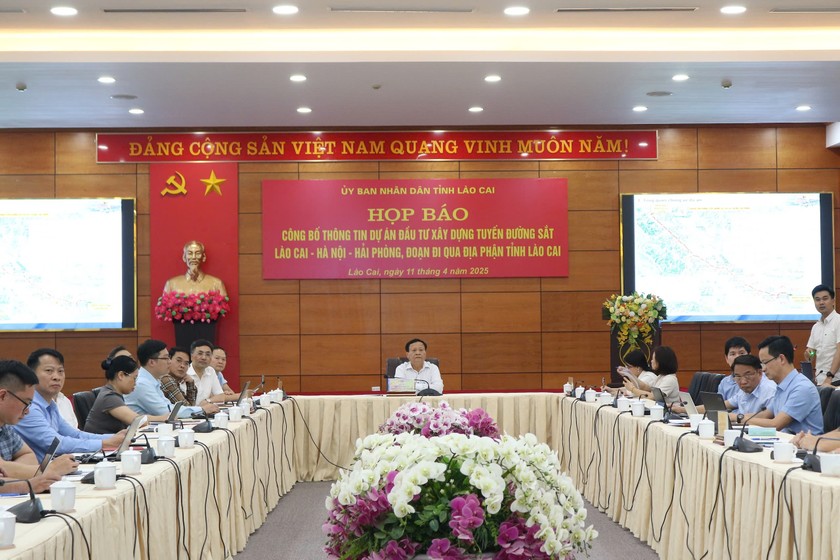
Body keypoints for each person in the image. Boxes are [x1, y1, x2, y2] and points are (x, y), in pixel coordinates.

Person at [14, 348, 126, 461]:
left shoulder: (51, 405)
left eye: (60, 371)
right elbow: (56, 444)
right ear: (32, 375)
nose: (56, 377)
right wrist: (104, 443)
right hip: (37, 470)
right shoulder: (28, 407)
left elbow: (75, 434)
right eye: (49, 371)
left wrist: (114, 437)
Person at [0, 360, 78, 493]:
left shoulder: (5, 426)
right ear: (2, 396)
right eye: (26, 403)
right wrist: (49, 469)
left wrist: (9, 471)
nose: (27, 411)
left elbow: (29, 455)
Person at [744, 335, 823, 434]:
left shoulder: (802, 388)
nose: (763, 369)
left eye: (765, 362)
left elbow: (776, 425)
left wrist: (741, 419)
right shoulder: (782, 386)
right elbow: (765, 415)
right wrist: (735, 417)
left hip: (803, 443)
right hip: (785, 441)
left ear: (781, 359)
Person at [125, 339, 219, 419]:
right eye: (166, 358)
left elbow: (170, 407)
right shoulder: (142, 384)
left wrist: (201, 409)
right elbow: (166, 412)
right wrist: (202, 409)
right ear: (152, 362)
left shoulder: (153, 380)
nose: (169, 362)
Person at [85, 356, 168, 434]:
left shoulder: (112, 393)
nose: (135, 383)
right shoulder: (109, 397)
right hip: (101, 443)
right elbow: (138, 421)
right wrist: (164, 418)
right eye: (134, 378)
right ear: (121, 375)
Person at [805, 284, 840, 386]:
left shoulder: (838, 321)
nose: (821, 302)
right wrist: (809, 354)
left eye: (825, 299)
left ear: (833, 300)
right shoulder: (816, 327)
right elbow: (811, 355)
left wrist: (830, 376)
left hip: (836, 380)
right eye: (817, 299)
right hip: (820, 381)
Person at [188, 340, 233, 405]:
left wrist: (208, 401)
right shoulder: (185, 372)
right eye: (200, 353)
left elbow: (220, 396)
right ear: (191, 356)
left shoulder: (210, 371)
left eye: (207, 354)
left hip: (206, 409)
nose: (204, 357)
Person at [716, 337, 751, 401]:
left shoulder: (756, 379)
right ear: (726, 358)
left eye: (741, 353)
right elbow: (719, 405)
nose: (737, 357)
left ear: (749, 355)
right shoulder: (724, 383)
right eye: (733, 354)